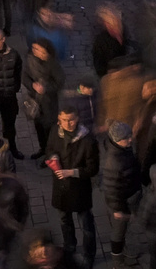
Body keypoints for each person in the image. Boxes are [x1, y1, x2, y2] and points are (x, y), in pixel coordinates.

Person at [44, 104, 99, 267]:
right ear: (59, 120)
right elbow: (49, 149)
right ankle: (70, 247)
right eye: (64, 120)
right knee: (64, 220)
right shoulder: (55, 131)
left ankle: (89, 254)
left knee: (86, 223)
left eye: (72, 120)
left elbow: (93, 168)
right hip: (61, 187)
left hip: (79, 188)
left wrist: (71, 172)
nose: (68, 124)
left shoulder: (87, 139)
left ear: (78, 119)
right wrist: (53, 159)